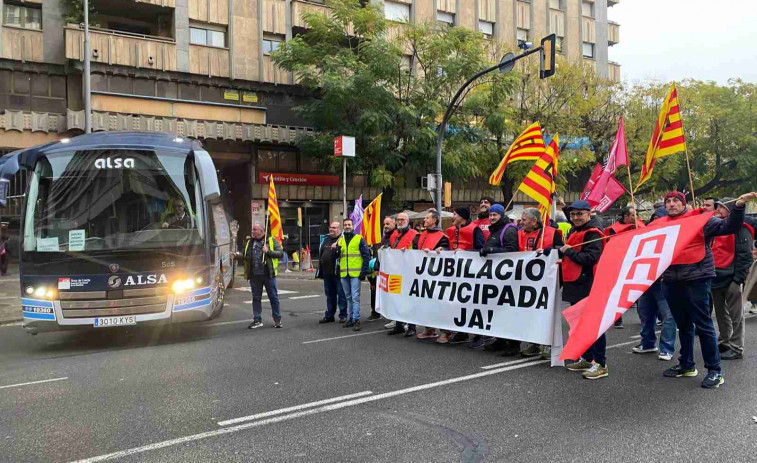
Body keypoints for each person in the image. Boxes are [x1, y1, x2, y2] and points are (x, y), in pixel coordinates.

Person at [656, 190, 757, 389]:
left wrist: (738, 206)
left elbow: (730, 226)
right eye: (668, 201)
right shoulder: (660, 225)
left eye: (676, 200)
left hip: (697, 279)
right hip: (670, 281)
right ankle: (686, 365)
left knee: (703, 325)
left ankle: (715, 370)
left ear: (684, 204)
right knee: (683, 325)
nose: (672, 204)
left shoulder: (699, 220)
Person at [561, 200, 608, 380]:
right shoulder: (576, 230)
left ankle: (601, 364)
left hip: (588, 284)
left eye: (579, 214)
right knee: (580, 325)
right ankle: (587, 358)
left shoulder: (593, 233)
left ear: (589, 214)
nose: (575, 218)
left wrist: (568, 251)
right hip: (576, 283)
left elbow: (590, 258)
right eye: (573, 215)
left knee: (593, 325)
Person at [515, 207, 565, 358]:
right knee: (530, 313)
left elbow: (561, 250)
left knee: (547, 313)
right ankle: (535, 343)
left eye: (524, 220)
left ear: (534, 220)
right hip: (527, 281)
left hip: (548, 281)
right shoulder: (519, 233)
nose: (520, 223)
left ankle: (548, 345)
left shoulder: (552, 233)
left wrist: (551, 250)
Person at [711, 198, 753, 360]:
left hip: (732, 278)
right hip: (716, 277)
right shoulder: (717, 226)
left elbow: (745, 255)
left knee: (736, 316)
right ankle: (725, 341)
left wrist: (738, 279)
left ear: (730, 210)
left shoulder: (741, 228)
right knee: (721, 313)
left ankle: (736, 348)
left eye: (721, 207)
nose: (717, 209)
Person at [632, 208, 677, 361]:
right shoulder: (646, 236)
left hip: (665, 282)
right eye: (654, 218)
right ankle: (647, 343)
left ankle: (666, 348)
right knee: (645, 313)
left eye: (660, 218)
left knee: (668, 316)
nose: (656, 221)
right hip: (647, 282)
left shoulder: (673, 237)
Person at [475, 203, 519, 352]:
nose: (492, 217)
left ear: (501, 215)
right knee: (497, 309)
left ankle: (513, 344)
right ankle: (500, 339)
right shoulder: (494, 229)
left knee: (507, 310)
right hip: (495, 277)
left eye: (495, 215)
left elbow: (511, 251)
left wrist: (492, 250)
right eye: (491, 215)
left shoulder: (509, 229)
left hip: (507, 277)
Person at [439, 207, 485, 344]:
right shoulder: (451, 230)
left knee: (473, 302)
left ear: (462, 217)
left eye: (454, 214)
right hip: (455, 272)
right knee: (457, 302)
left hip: (472, 272)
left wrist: (466, 252)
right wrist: (443, 249)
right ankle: (461, 331)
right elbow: (448, 245)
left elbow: (481, 248)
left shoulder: (474, 229)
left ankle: (479, 333)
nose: (452, 216)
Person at [605, 206, 644, 329]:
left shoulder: (640, 225)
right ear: (626, 217)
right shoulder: (614, 229)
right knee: (618, 292)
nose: (636, 217)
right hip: (620, 264)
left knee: (638, 292)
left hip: (636, 264)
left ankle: (643, 317)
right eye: (633, 215)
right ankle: (617, 319)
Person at [415, 209, 450, 340]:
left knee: (439, 304)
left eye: (427, 218)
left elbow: (447, 252)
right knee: (425, 304)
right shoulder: (422, 234)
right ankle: (429, 329)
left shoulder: (442, 237)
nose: (424, 220)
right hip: (423, 275)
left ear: (434, 220)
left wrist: (440, 250)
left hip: (437, 277)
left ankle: (446, 331)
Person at [244, 223, 284, 329]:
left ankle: (277, 319)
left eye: (255, 230)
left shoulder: (271, 241)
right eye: (253, 230)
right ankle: (257, 320)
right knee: (256, 298)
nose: (253, 232)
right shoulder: (250, 242)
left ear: (262, 231)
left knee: (273, 298)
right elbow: (245, 256)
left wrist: (268, 252)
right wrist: (236, 256)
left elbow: (280, 254)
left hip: (268, 275)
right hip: (254, 276)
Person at [387, 212, 420, 336]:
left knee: (410, 301)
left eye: (402, 219)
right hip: (396, 272)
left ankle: (412, 327)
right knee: (397, 299)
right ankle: (399, 325)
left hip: (409, 273)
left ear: (408, 221)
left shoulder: (415, 235)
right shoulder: (394, 235)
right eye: (398, 219)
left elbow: (418, 252)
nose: (400, 222)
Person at [335, 218, 372, 331]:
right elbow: (337, 258)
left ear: (353, 226)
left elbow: (366, 256)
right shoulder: (340, 240)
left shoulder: (359, 239)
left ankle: (356, 319)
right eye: (345, 225)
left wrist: (363, 272)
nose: (347, 226)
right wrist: (336, 252)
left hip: (355, 273)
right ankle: (350, 318)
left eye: (349, 225)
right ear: (343, 227)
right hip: (344, 273)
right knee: (348, 297)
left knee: (355, 298)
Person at [317, 222, 348, 324]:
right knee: (330, 295)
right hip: (327, 273)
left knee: (341, 295)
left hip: (338, 273)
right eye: (331, 227)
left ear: (339, 229)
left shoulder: (342, 240)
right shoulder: (326, 239)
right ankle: (329, 315)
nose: (332, 229)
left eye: (334, 228)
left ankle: (343, 315)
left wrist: (338, 247)